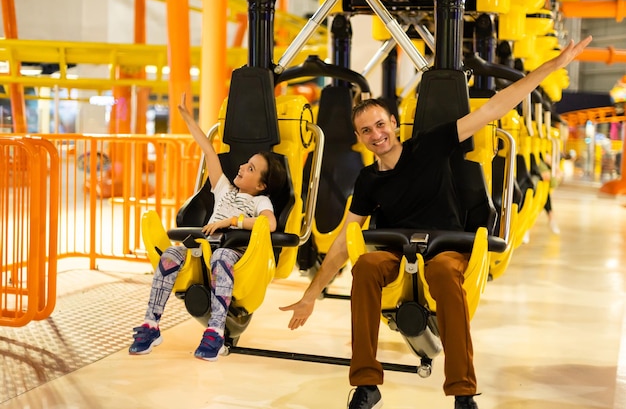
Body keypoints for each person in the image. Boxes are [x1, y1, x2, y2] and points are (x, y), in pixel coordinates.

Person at [280, 36, 593, 409]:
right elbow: (344, 240)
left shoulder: (429, 145)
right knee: (364, 266)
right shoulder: (368, 180)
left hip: (446, 248)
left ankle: (462, 391)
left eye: (380, 125)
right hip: (397, 251)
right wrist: (310, 295)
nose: (376, 135)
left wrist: (551, 68)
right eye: (366, 131)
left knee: (444, 274)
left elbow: (494, 108)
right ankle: (366, 383)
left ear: (393, 124)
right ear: (359, 138)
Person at [129, 94, 287, 361]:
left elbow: (269, 224)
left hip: (234, 252)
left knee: (222, 256)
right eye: (245, 163)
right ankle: (151, 325)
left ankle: (215, 330)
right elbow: (208, 150)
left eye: (250, 168)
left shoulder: (260, 200)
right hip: (203, 248)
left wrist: (231, 222)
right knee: (170, 256)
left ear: (261, 184)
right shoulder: (224, 187)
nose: (241, 167)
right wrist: (187, 118)